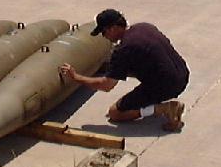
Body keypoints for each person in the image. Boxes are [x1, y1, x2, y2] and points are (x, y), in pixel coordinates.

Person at [59, 9, 188, 132]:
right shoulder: (144, 26)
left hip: (167, 85)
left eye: (104, 32)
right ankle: (161, 102)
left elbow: (106, 85)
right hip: (182, 75)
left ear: (113, 28)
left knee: (115, 113)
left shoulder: (124, 49)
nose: (104, 36)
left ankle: (164, 108)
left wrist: (75, 77)